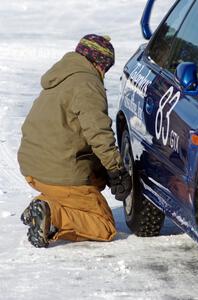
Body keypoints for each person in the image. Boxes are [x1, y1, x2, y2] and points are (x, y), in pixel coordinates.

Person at [18, 34, 132, 248]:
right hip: (58, 171)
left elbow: (78, 134)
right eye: (105, 69)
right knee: (104, 225)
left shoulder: (61, 77)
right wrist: (116, 170)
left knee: (95, 179)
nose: (103, 74)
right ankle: (51, 213)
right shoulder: (87, 84)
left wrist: (103, 171)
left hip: (33, 167)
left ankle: (46, 206)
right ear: (99, 63)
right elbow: (98, 133)